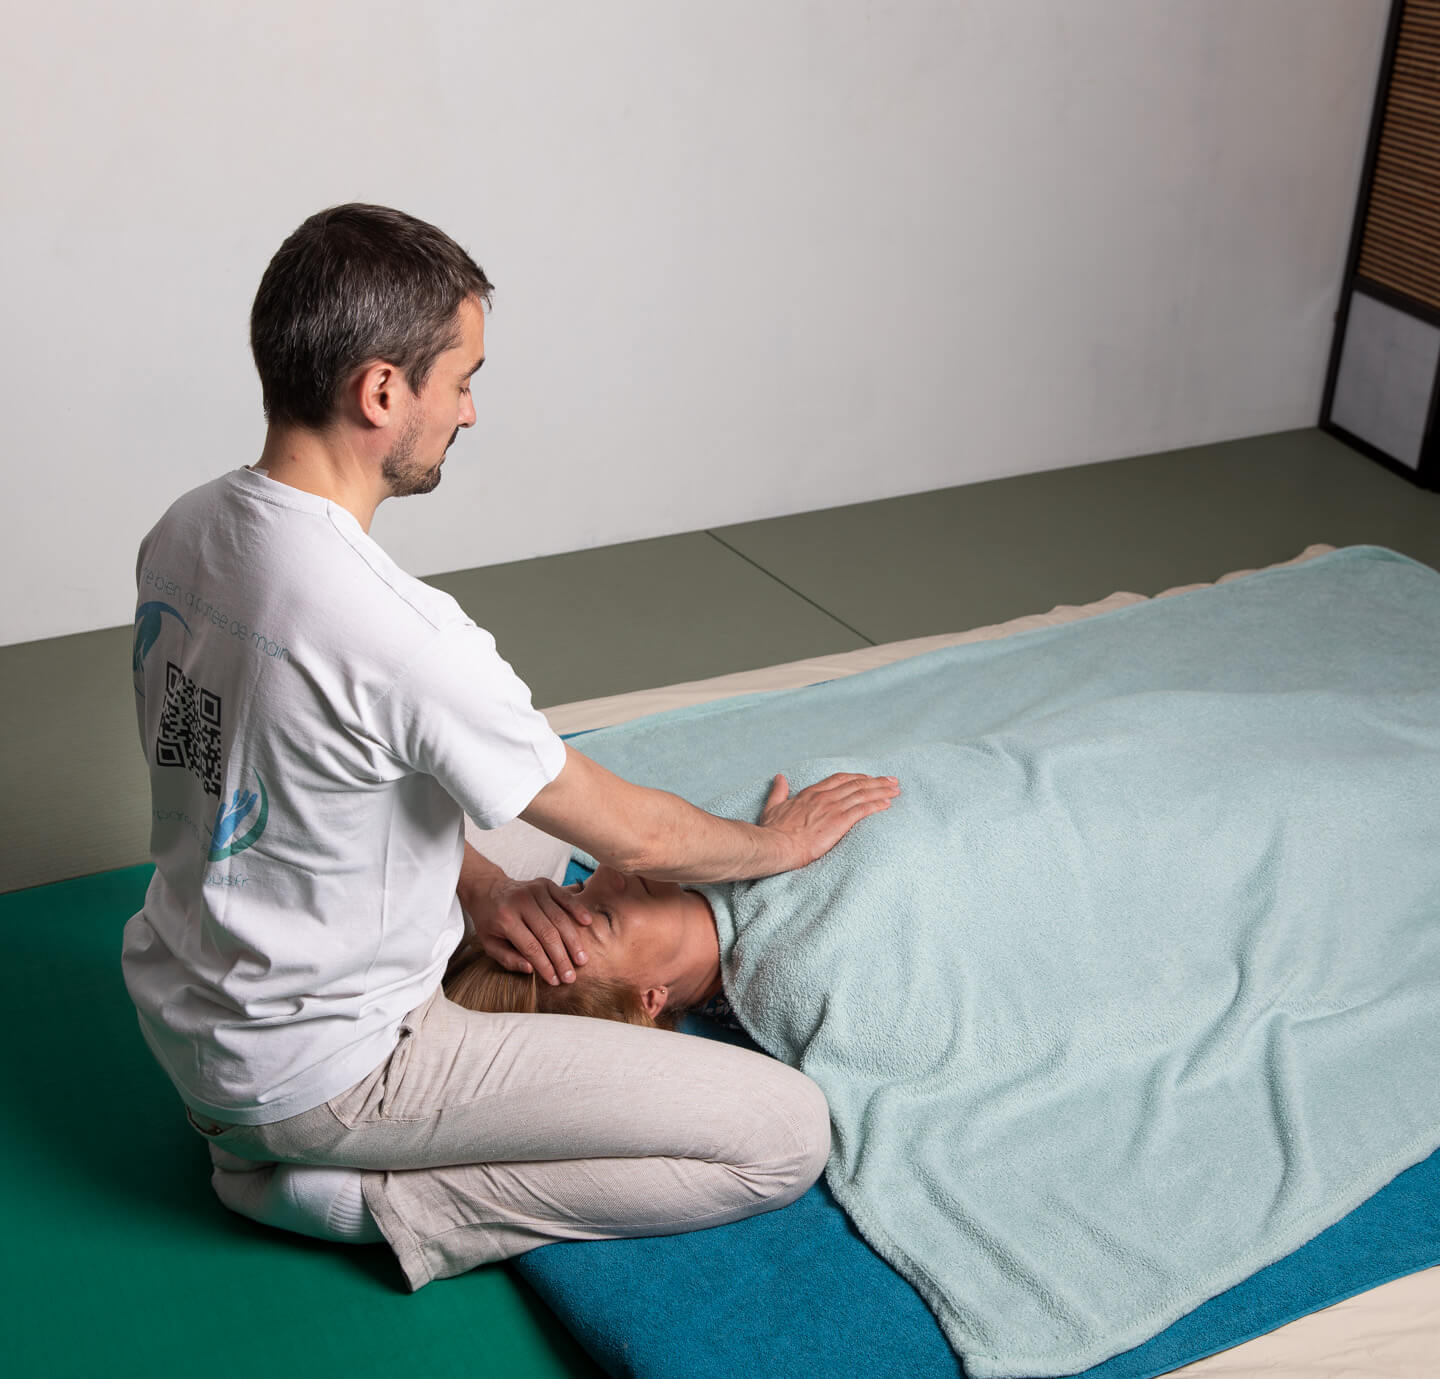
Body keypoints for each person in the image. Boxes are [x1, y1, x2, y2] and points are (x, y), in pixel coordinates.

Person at [124, 203, 899, 1290]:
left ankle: (288, 1119)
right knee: (783, 1134)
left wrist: (483, 890)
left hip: (191, 997)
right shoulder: (401, 632)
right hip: (325, 1072)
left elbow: (273, 775)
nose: (472, 410)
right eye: (462, 377)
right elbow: (634, 829)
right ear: (382, 391)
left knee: (494, 818)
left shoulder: (186, 527)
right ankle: (355, 1196)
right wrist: (775, 845)